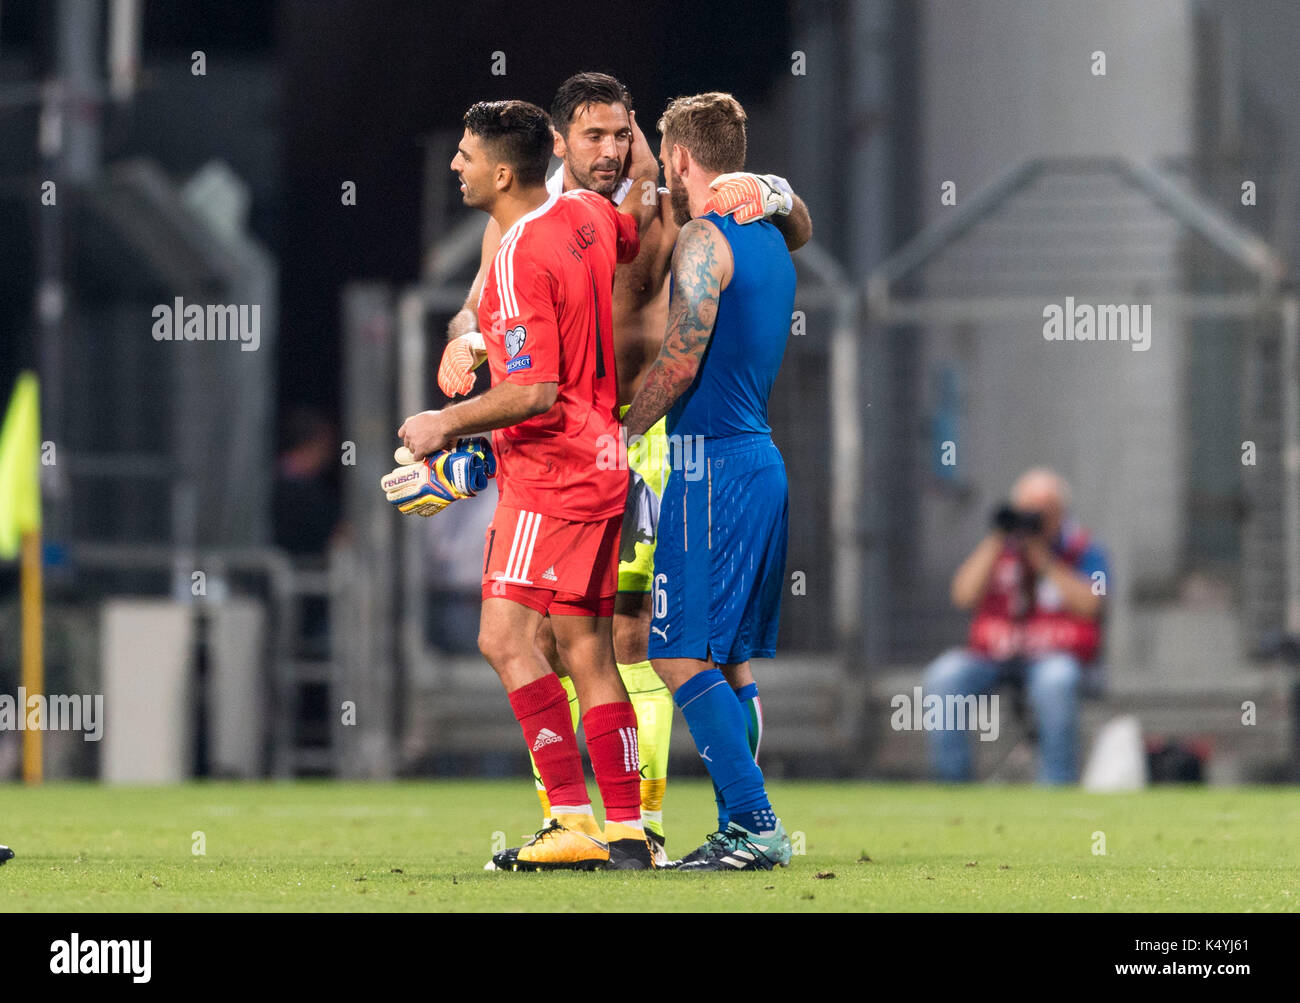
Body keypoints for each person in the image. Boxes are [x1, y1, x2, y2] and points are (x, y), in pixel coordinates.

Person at [440, 72, 812, 863]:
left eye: (623, 134)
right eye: (594, 137)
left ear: (650, 141)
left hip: (641, 434)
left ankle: (650, 817)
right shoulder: (539, 217)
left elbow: (771, 229)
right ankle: (594, 819)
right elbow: (483, 300)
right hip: (575, 433)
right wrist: (465, 335)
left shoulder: (667, 204)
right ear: (558, 144)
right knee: (565, 633)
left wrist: (772, 188)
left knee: (640, 635)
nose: (611, 151)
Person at [399, 98, 658, 869]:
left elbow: (537, 389)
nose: (456, 166)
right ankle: (626, 830)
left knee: (502, 637)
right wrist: (481, 339)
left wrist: (447, 426)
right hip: (605, 462)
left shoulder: (515, 257)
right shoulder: (583, 209)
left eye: (467, 155)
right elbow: (629, 220)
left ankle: (571, 819)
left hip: (554, 476)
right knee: (585, 647)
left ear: (503, 172)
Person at [622, 92, 798, 871]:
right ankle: (738, 825)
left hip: (709, 465)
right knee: (728, 663)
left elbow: (682, 355)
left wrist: (622, 426)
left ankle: (756, 821)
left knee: (674, 655)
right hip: (757, 459)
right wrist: (780, 191)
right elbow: (800, 221)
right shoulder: (770, 236)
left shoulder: (703, 236)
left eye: (663, 154)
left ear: (682, 157)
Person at [924, 468, 1109, 784]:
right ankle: (952, 784)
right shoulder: (1000, 549)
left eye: (1042, 512)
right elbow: (963, 595)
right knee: (944, 676)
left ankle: (1056, 785)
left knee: (1056, 680)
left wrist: (1044, 560)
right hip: (994, 654)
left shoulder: (1082, 550)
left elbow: (1093, 604)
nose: (1032, 520)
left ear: (1060, 513)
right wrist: (998, 537)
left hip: (1054, 656)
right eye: (1026, 511)